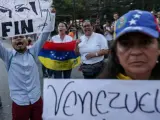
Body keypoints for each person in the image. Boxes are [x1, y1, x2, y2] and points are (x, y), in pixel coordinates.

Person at [0, 14, 54, 120]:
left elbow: (45, 34)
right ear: (11, 42)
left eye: (21, 37)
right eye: (15, 38)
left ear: (26, 40)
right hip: (19, 102)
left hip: (36, 100)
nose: (18, 39)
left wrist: (51, 15)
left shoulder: (33, 52)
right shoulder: (7, 56)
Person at [99, 10, 160, 80]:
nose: (136, 52)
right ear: (116, 52)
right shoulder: (100, 89)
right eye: (125, 44)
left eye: (145, 42)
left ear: (158, 48)